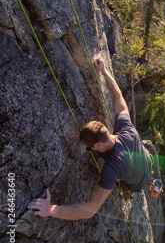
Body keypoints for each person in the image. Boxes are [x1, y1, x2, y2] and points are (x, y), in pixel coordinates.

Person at [28, 56, 152, 220]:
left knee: (127, 183)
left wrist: (51, 209)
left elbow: (91, 209)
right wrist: (104, 71)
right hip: (147, 161)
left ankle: (131, 189)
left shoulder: (112, 168)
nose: (91, 150)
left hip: (137, 183)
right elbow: (118, 96)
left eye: (90, 148)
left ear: (99, 145)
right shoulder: (125, 127)